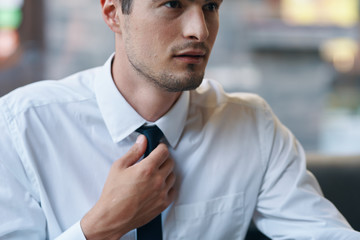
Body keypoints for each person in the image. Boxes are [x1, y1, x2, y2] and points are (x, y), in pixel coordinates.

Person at [0, 0, 359, 239]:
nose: (199, 30)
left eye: (210, 6)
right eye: (172, 3)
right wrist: (101, 225)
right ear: (113, 13)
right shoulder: (21, 128)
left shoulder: (253, 127)